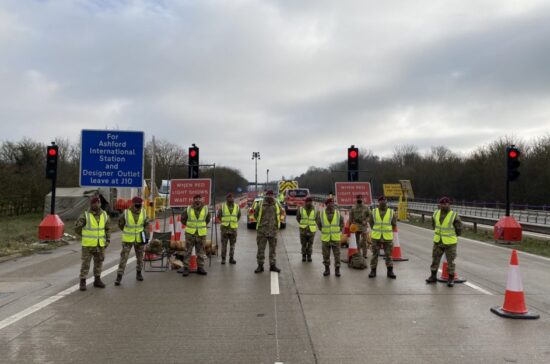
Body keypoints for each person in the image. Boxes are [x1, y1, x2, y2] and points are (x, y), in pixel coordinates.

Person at [75, 196, 110, 291]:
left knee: (99, 262)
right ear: (91, 204)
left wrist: (107, 240)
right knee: (86, 264)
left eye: (98, 203)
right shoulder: (85, 215)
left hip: (100, 244)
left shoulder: (104, 215)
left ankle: (97, 280)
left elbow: (107, 229)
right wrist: (85, 235)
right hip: (88, 245)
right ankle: (82, 282)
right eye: (95, 203)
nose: (97, 204)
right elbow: (77, 228)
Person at [425, 196, 463, 287]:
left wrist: (454, 235)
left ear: (449, 204)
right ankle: (433, 276)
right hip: (438, 241)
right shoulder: (435, 213)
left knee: (451, 261)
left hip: (450, 243)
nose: (444, 205)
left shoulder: (454, 215)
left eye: (446, 204)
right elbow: (434, 225)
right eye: (442, 204)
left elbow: (459, 228)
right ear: (439, 204)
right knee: (435, 259)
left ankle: (450, 279)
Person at [115, 196, 149, 286]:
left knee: (140, 257)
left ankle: (139, 273)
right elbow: (120, 224)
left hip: (139, 239)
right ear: (133, 204)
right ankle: (119, 276)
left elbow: (146, 224)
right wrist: (127, 231)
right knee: (123, 258)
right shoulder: (126, 213)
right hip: (128, 239)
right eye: (137, 205)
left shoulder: (144, 213)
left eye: (140, 205)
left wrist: (145, 235)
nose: (138, 206)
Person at [181, 194, 211, 276]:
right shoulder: (188, 209)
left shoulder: (206, 209)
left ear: (202, 200)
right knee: (188, 251)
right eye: (196, 199)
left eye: (199, 198)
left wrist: (200, 226)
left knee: (201, 251)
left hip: (201, 234)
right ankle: (186, 268)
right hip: (190, 233)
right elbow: (183, 219)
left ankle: (200, 268)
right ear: (193, 200)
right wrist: (190, 226)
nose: (198, 200)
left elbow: (207, 219)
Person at [368, 196, 397, 279]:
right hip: (376, 236)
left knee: (389, 255)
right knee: (374, 254)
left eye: (385, 201)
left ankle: (390, 271)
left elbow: (394, 224)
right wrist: (377, 230)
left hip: (387, 237)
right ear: (378, 202)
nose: (383, 202)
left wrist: (386, 230)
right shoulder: (373, 212)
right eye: (381, 201)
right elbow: (371, 223)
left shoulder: (391, 212)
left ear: (386, 202)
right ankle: (373, 271)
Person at [254, 190, 282, 273]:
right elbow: (256, 214)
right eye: (268, 194)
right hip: (262, 231)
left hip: (273, 231)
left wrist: (275, 225)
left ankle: (272, 266)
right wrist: (262, 223)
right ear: (266, 195)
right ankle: (260, 266)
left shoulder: (276, 204)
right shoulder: (261, 204)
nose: (270, 196)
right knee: (260, 249)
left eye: (271, 195)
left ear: (273, 195)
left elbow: (280, 213)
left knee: (273, 250)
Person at [316, 198, 344, 277]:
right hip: (326, 238)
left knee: (337, 255)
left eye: (332, 203)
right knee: (325, 255)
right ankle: (327, 269)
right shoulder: (321, 214)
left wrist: (339, 230)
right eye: (329, 203)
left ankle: (337, 270)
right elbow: (319, 224)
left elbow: (342, 223)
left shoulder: (338, 214)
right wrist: (324, 230)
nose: (331, 205)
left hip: (335, 238)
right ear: (326, 205)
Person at [217, 193, 241, 264]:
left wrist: (234, 221)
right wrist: (223, 221)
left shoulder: (237, 207)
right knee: (224, 245)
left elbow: (239, 215)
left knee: (232, 245)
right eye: (229, 197)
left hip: (233, 229)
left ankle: (231, 258)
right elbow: (219, 215)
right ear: (226, 198)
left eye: (231, 197)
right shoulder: (223, 206)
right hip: (225, 228)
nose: (230, 199)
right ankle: (223, 259)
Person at [350, 194, 371, 260]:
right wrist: (352, 222)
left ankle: (364, 254)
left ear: (362, 199)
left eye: (360, 198)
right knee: (356, 240)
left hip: (363, 225)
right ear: (356, 199)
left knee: (364, 240)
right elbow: (351, 216)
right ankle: (358, 253)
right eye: (358, 198)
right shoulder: (353, 207)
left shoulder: (366, 207)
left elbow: (370, 215)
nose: (359, 199)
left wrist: (366, 221)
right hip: (356, 225)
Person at [296, 197, 317, 262]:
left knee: (310, 244)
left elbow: (317, 219)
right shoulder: (301, 209)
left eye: (310, 202)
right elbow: (298, 218)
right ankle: (304, 256)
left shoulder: (315, 210)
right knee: (303, 244)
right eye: (308, 202)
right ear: (305, 202)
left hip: (312, 230)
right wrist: (302, 224)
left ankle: (309, 256)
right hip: (303, 229)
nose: (309, 203)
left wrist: (312, 225)